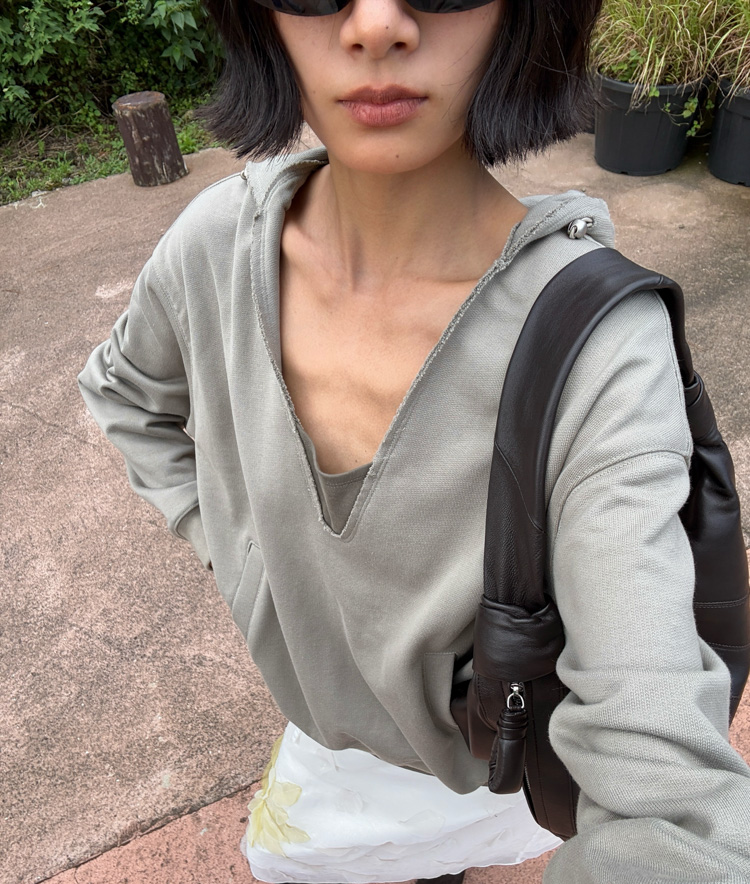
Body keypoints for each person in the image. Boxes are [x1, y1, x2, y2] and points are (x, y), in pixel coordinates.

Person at [78, 0, 750, 881]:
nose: (376, 25)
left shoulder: (601, 354)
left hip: (496, 775)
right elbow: (124, 391)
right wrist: (238, 553)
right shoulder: (216, 246)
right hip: (328, 769)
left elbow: (665, 788)